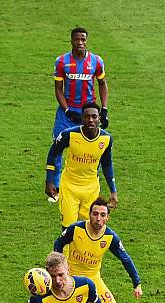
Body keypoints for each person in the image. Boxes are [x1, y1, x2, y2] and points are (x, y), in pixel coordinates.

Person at [50, 27, 108, 196]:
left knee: (92, 147)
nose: (80, 43)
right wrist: (67, 110)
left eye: (83, 39)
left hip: (89, 113)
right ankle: (56, 188)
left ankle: (91, 183)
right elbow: (58, 88)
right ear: (71, 41)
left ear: (86, 41)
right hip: (66, 113)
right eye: (77, 39)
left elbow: (102, 84)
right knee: (58, 147)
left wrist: (103, 109)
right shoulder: (61, 61)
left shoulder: (96, 61)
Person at [55, 197, 142, 303]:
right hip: (71, 277)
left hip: (94, 279)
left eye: (102, 215)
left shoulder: (110, 237)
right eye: (95, 214)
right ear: (89, 214)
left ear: (107, 217)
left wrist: (137, 283)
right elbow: (59, 243)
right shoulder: (75, 229)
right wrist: (59, 267)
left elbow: (125, 259)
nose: (98, 219)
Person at [45, 102, 118, 230]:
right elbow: (53, 153)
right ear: (81, 118)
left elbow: (107, 164)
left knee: (88, 228)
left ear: (99, 118)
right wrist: (49, 181)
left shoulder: (106, 139)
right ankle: (65, 251)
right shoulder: (69, 135)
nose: (90, 120)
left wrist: (113, 191)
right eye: (87, 116)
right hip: (69, 187)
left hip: (91, 189)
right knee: (67, 229)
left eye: (94, 117)